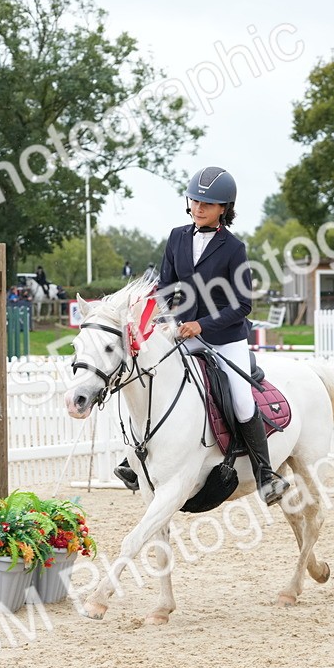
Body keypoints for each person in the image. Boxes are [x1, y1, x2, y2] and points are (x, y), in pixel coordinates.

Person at [113, 166, 288, 505]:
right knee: (152, 375)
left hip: (225, 337)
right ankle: (136, 461)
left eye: (207, 203)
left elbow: (242, 304)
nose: (198, 207)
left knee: (239, 398)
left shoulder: (234, 248)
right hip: (183, 331)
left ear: (224, 208)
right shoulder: (177, 236)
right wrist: (147, 315)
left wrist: (203, 325)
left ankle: (266, 475)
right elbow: (166, 287)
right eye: (194, 200)